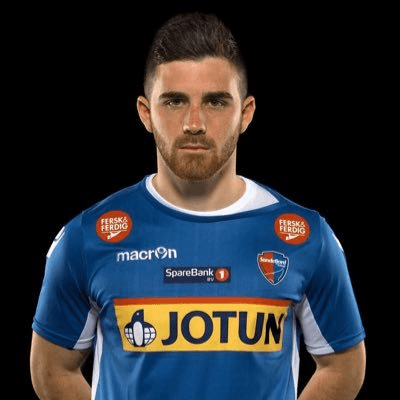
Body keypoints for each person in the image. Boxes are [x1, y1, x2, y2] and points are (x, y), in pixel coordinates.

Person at [30, 12, 366, 400]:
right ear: (146, 113)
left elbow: (343, 365)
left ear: (245, 114)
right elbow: (51, 369)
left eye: (215, 101)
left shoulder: (306, 237)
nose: (194, 123)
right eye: (174, 101)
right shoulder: (87, 238)